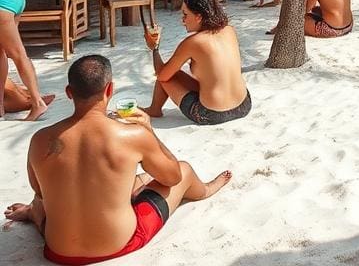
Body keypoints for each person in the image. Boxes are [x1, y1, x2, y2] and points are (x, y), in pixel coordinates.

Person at [4, 55, 231, 264]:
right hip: (118, 244)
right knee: (184, 170)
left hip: (58, 250)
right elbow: (172, 177)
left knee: (132, 180)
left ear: (69, 92)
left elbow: (40, 192)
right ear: (109, 89)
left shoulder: (40, 139)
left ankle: (35, 215)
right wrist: (149, 132)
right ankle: (205, 190)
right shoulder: (132, 135)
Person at [144, 0, 251, 124]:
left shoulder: (193, 42)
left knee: (167, 75)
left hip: (211, 114)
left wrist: (155, 49)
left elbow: (162, 76)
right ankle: (155, 108)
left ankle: (155, 109)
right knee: (176, 74)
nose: (182, 20)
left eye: (185, 14)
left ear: (198, 17)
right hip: (244, 104)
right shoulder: (229, 30)